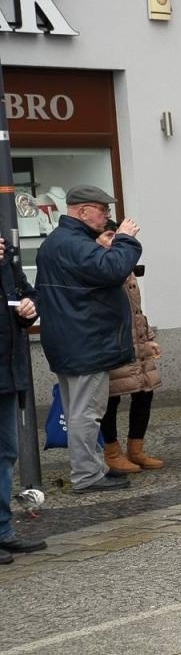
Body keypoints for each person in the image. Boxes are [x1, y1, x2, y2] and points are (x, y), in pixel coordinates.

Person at [34, 184, 142, 493]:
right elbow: (113, 269)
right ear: (82, 211)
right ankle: (87, 475)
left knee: (78, 410)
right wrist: (125, 239)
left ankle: (93, 467)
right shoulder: (76, 244)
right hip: (86, 339)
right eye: (103, 210)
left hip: (69, 338)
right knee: (87, 412)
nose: (107, 215)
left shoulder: (58, 242)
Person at [98, 227, 164, 475]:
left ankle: (136, 449)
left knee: (145, 393)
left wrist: (148, 337)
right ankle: (112, 452)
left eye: (115, 236)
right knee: (111, 398)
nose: (112, 241)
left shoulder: (124, 267)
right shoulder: (100, 267)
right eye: (107, 236)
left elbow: (137, 310)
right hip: (115, 343)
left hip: (137, 342)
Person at [0, 238, 43, 562]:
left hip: (7, 372)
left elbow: (26, 293)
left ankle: (3, 531)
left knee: (6, 452)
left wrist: (29, 308)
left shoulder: (6, 259)